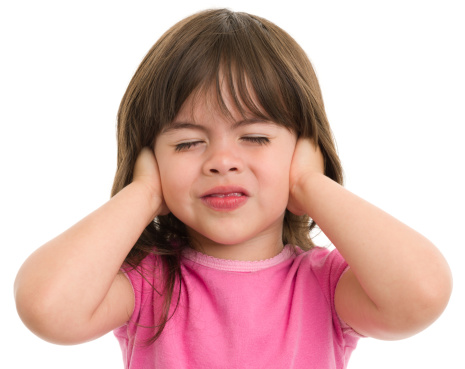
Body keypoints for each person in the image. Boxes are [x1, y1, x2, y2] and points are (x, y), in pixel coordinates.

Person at [14, 8, 452, 369]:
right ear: (151, 160)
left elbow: (422, 294)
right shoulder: (148, 285)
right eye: (187, 143)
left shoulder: (325, 284)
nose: (222, 161)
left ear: (304, 151)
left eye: (256, 138)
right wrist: (146, 193)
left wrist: (308, 184)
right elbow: (47, 309)